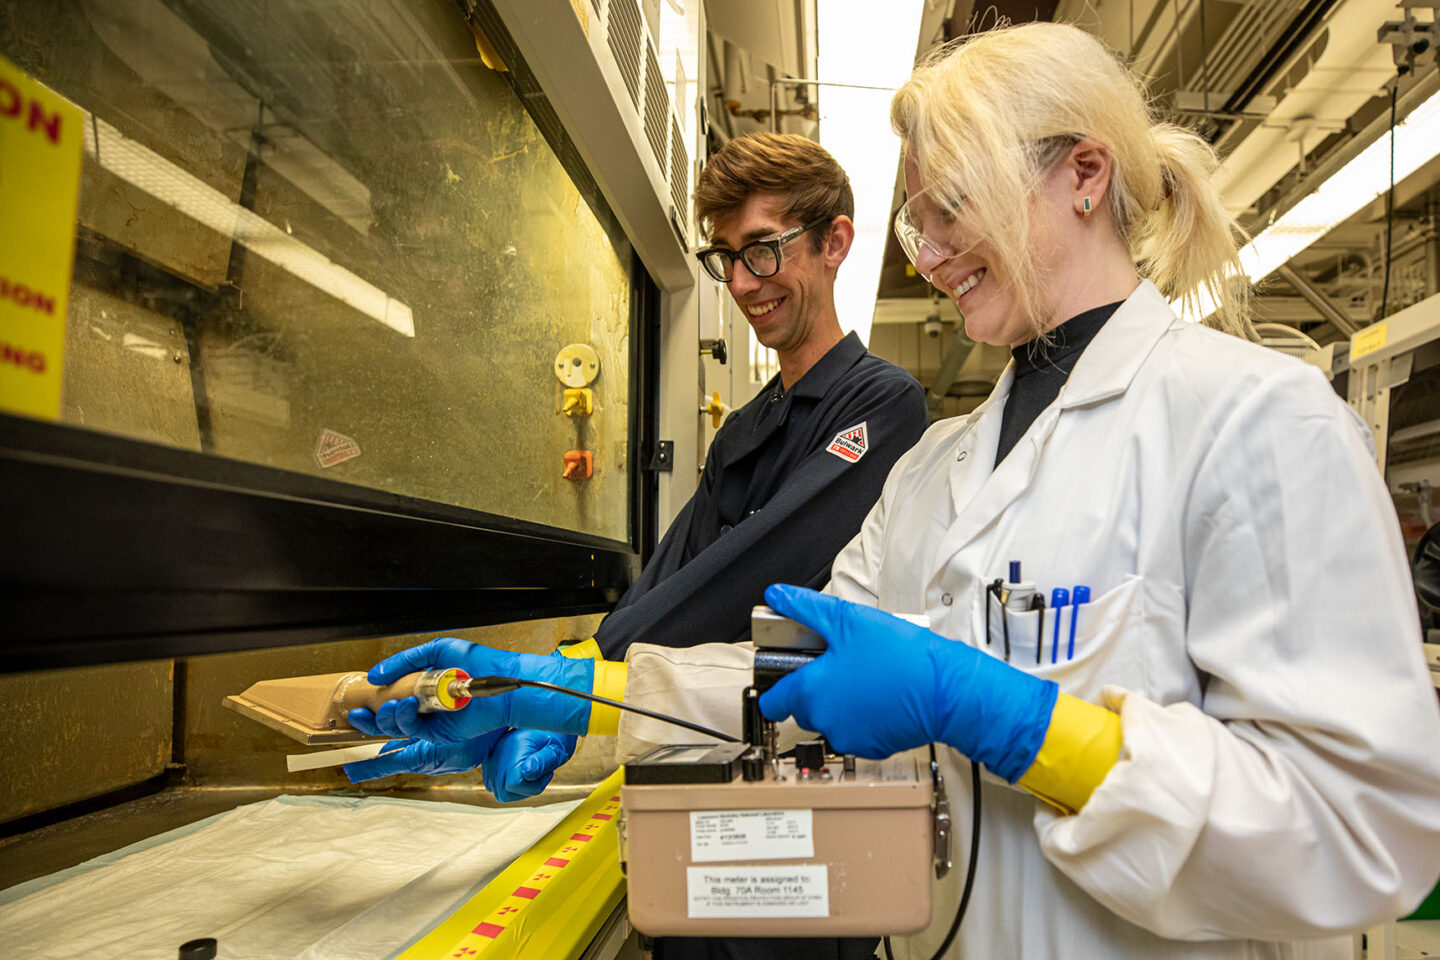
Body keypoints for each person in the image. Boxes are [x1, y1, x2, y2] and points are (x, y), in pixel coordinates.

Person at [348, 23, 1440, 958]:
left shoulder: (1260, 423)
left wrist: (1017, 725)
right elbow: (790, 664)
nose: (930, 254)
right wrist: (581, 695)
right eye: (920, 223)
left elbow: (1367, 827)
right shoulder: (937, 468)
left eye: (953, 207)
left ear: (1085, 176)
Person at [347, 132, 928, 960]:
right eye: (725, 257)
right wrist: (577, 667)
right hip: (688, 786)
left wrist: (567, 685)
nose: (741, 284)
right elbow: (675, 574)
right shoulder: (747, 430)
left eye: (762, 252)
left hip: (802, 811)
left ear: (834, 243)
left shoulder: (885, 406)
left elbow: (760, 573)